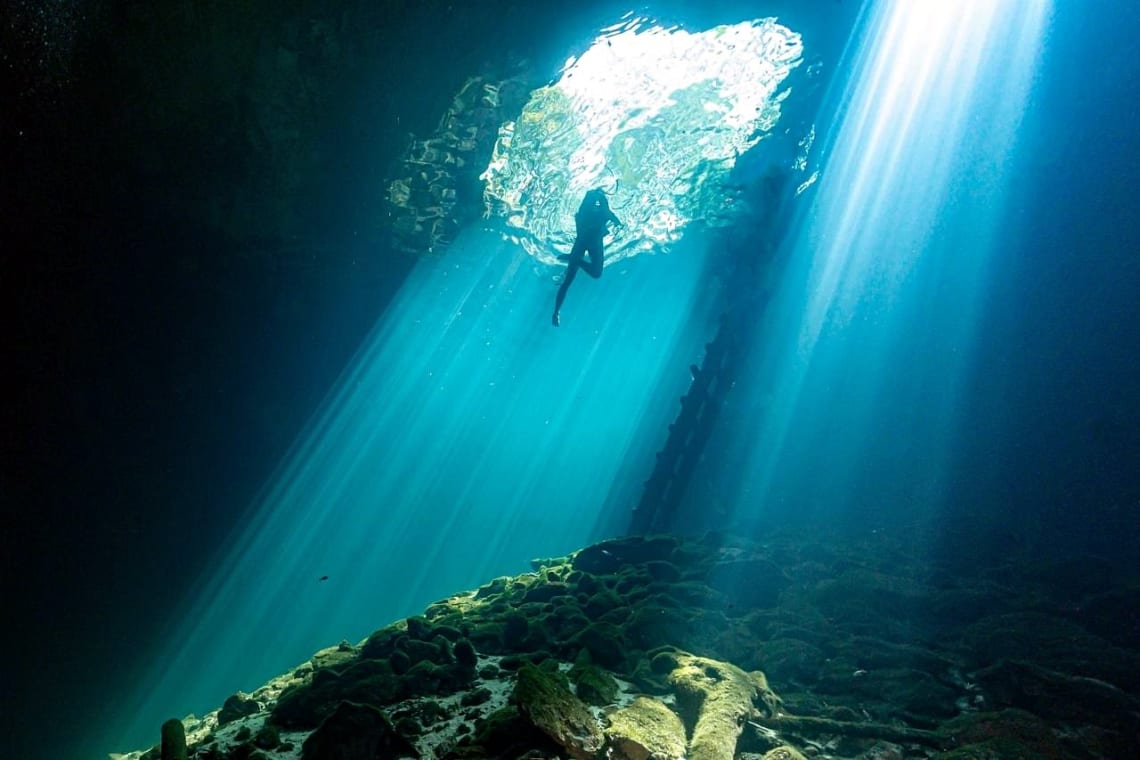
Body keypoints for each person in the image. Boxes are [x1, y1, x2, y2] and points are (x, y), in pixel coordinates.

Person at [552, 189, 622, 327]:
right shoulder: (599, 211)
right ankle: (556, 312)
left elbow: (616, 222)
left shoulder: (594, 210)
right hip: (589, 243)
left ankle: (574, 260)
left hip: (587, 243)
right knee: (575, 277)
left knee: (577, 277)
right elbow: (617, 223)